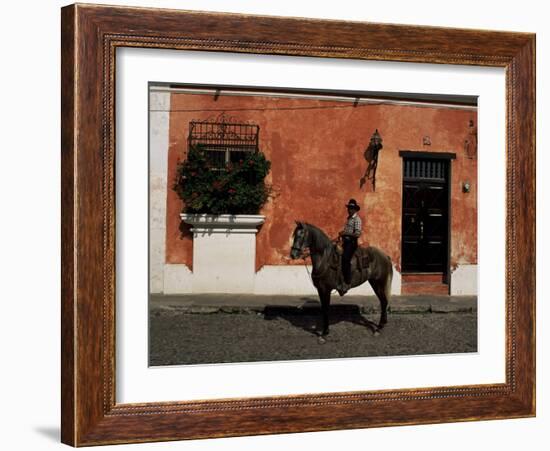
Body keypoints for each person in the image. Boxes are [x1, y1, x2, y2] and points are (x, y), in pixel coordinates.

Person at [337, 199, 362, 296]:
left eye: (351, 208)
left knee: (346, 259)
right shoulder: (349, 219)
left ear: (355, 209)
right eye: (348, 208)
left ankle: (347, 282)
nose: (349, 210)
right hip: (345, 242)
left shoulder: (357, 220)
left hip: (352, 243)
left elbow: (357, 234)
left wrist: (345, 233)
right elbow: (346, 231)